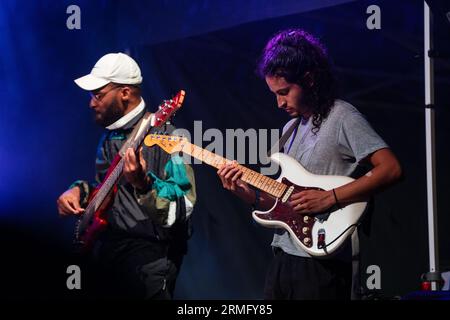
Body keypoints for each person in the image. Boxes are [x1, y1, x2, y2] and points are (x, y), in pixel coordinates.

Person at [217, 29, 402, 300]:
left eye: (284, 92)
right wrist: (246, 194)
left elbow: (391, 168)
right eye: (274, 94)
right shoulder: (290, 128)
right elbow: (284, 200)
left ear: (309, 79)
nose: (279, 102)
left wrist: (330, 198)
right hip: (284, 256)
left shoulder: (342, 116)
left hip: (322, 260)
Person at [57, 52, 196, 299]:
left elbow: (183, 206)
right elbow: (107, 190)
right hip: (109, 251)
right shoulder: (110, 138)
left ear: (125, 93)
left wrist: (144, 185)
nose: (91, 103)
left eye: (98, 95)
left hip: (151, 260)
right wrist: (79, 190)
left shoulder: (170, 137)